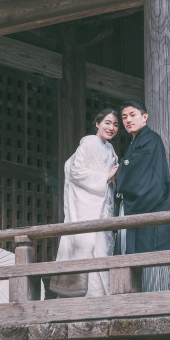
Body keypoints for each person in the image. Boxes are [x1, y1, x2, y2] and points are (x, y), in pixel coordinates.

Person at [49, 108, 120, 298]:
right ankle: (81, 296)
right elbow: (76, 171)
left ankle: (101, 298)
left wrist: (112, 178)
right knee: (88, 247)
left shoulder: (111, 150)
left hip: (102, 206)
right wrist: (106, 175)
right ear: (97, 124)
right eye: (107, 122)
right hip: (88, 207)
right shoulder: (88, 143)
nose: (111, 128)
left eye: (115, 124)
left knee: (103, 250)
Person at [114, 99, 170, 292]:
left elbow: (138, 172)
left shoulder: (151, 139)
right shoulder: (135, 143)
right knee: (131, 260)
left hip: (150, 208)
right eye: (124, 117)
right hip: (133, 207)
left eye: (133, 115)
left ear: (145, 117)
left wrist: (121, 168)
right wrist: (125, 167)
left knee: (151, 264)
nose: (128, 120)